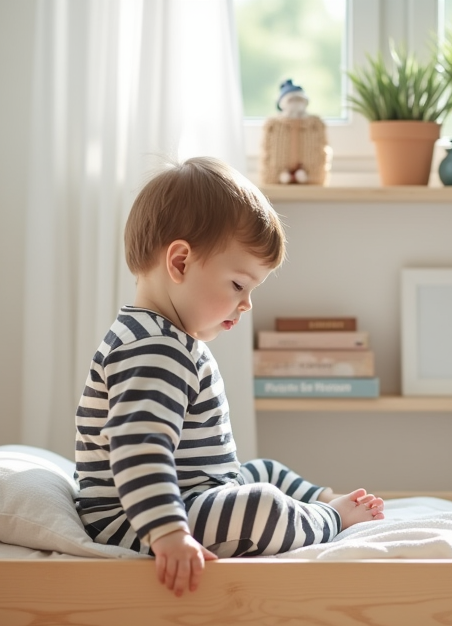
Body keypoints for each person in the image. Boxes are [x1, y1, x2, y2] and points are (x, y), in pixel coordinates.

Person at [75, 156, 384, 596]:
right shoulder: (154, 348)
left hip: (188, 494)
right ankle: (332, 517)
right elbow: (140, 448)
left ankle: (319, 498)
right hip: (136, 522)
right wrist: (168, 533)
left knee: (263, 470)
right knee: (261, 505)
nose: (247, 305)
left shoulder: (161, 336)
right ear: (180, 263)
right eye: (239, 285)